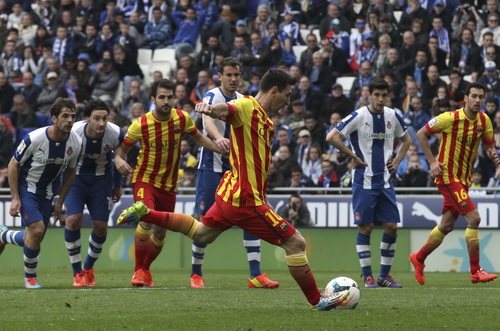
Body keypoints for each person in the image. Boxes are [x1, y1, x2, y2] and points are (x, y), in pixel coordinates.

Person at [117, 68, 354, 310]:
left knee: (201, 234)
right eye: (287, 95)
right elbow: (226, 109)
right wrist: (209, 109)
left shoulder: (265, 120)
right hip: (244, 199)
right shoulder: (246, 106)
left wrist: (264, 196)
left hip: (231, 193)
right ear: (274, 91)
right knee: (296, 243)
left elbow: (256, 164)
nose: (288, 101)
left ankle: (146, 214)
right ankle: (318, 300)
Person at [113, 79, 223, 288]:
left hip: (169, 185)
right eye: (161, 97)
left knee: (161, 232)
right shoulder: (141, 124)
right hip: (144, 180)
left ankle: (146, 269)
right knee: (145, 219)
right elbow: (121, 151)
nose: (166, 101)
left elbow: (199, 138)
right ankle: (138, 271)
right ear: (153, 99)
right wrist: (118, 159)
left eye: (169, 97)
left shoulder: (182, 118)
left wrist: (220, 150)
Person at [190, 57, 279, 289]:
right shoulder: (212, 96)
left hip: (239, 168)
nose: (233, 79)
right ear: (219, 76)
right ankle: (196, 272)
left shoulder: (245, 101)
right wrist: (219, 138)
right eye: (229, 74)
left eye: (237, 74)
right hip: (212, 165)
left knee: (251, 214)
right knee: (204, 220)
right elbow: (207, 119)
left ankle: (256, 274)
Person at [410, 82, 499, 285]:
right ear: (465, 98)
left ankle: (419, 257)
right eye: (474, 96)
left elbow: (488, 142)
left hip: (464, 179)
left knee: (447, 225)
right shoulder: (449, 118)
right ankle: (476, 271)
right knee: (474, 218)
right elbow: (421, 133)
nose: (478, 100)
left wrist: (491, 152)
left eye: (481, 97)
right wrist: (432, 162)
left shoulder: (484, 120)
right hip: (447, 177)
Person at [326, 78, 412, 288]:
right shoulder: (359, 115)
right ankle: (369, 276)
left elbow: (407, 139)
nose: (381, 99)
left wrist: (398, 160)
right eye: (377, 95)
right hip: (363, 181)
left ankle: (384, 276)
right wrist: (352, 155)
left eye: (384, 95)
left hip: (385, 181)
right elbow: (332, 137)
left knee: (391, 226)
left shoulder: (393, 115)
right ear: (369, 95)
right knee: (366, 227)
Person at [0, 98, 82, 288]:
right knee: (37, 230)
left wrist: (60, 202)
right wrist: (14, 199)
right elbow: (13, 164)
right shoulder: (34, 138)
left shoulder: (76, 142)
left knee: (35, 237)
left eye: (72, 116)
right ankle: (30, 278)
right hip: (27, 189)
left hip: (48, 194)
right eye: (65, 116)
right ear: (54, 118)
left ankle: (4, 235)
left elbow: (71, 171)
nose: (70, 120)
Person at [63, 99, 124, 287]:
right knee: (73, 220)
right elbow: (62, 162)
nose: (101, 123)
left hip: (101, 181)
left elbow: (119, 160)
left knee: (101, 226)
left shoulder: (115, 133)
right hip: (76, 179)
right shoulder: (73, 133)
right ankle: (76, 273)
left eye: (105, 118)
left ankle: (88, 267)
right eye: (97, 118)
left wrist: (117, 185)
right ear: (87, 119)